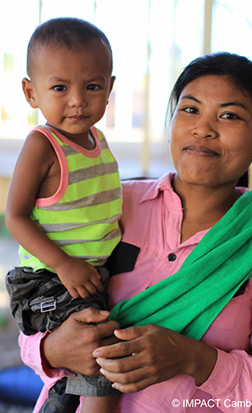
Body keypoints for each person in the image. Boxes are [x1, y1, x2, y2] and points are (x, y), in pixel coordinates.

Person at [19, 52, 252, 413]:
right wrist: (52, 349)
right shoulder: (111, 205)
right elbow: (35, 315)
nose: (203, 128)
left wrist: (195, 360)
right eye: (190, 110)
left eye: (229, 115)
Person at [5, 17, 122, 413]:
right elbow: (16, 217)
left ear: (110, 88)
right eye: (60, 87)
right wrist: (65, 264)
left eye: (92, 87)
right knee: (99, 343)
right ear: (31, 92)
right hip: (45, 279)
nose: (78, 100)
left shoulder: (99, 141)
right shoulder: (43, 145)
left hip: (83, 271)